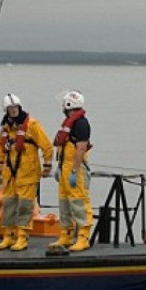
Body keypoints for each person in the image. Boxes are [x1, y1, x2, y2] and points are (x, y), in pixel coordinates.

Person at [0, 93, 53, 251]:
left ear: (19, 107)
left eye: (15, 107)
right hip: (10, 173)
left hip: (28, 172)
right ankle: (8, 235)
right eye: (10, 108)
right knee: (8, 204)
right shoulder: (6, 128)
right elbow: (0, 146)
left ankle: (22, 236)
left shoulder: (32, 125)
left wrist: (47, 165)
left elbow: (46, 146)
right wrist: (0, 164)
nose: (13, 110)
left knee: (25, 206)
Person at [49, 90, 93, 252]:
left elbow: (80, 148)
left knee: (78, 201)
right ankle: (66, 233)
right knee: (64, 202)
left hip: (75, 168)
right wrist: (59, 168)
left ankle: (83, 236)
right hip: (64, 167)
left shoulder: (81, 124)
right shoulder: (69, 122)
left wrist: (74, 171)